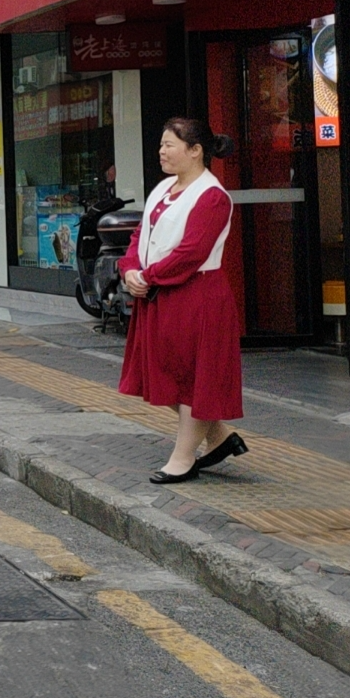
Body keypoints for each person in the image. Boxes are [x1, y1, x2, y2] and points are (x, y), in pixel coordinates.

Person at [118, 117, 247, 484]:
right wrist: (129, 269)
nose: (162, 151)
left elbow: (192, 252)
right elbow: (141, 235)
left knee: (192, 378)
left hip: (197, 298)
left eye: (170, 145)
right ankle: (219, 437)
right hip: (160, 296)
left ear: (196, 151)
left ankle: (183, 457)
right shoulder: (163, 189)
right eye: (161, 144)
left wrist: (147, 276)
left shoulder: (213, 196)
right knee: (162, 373)